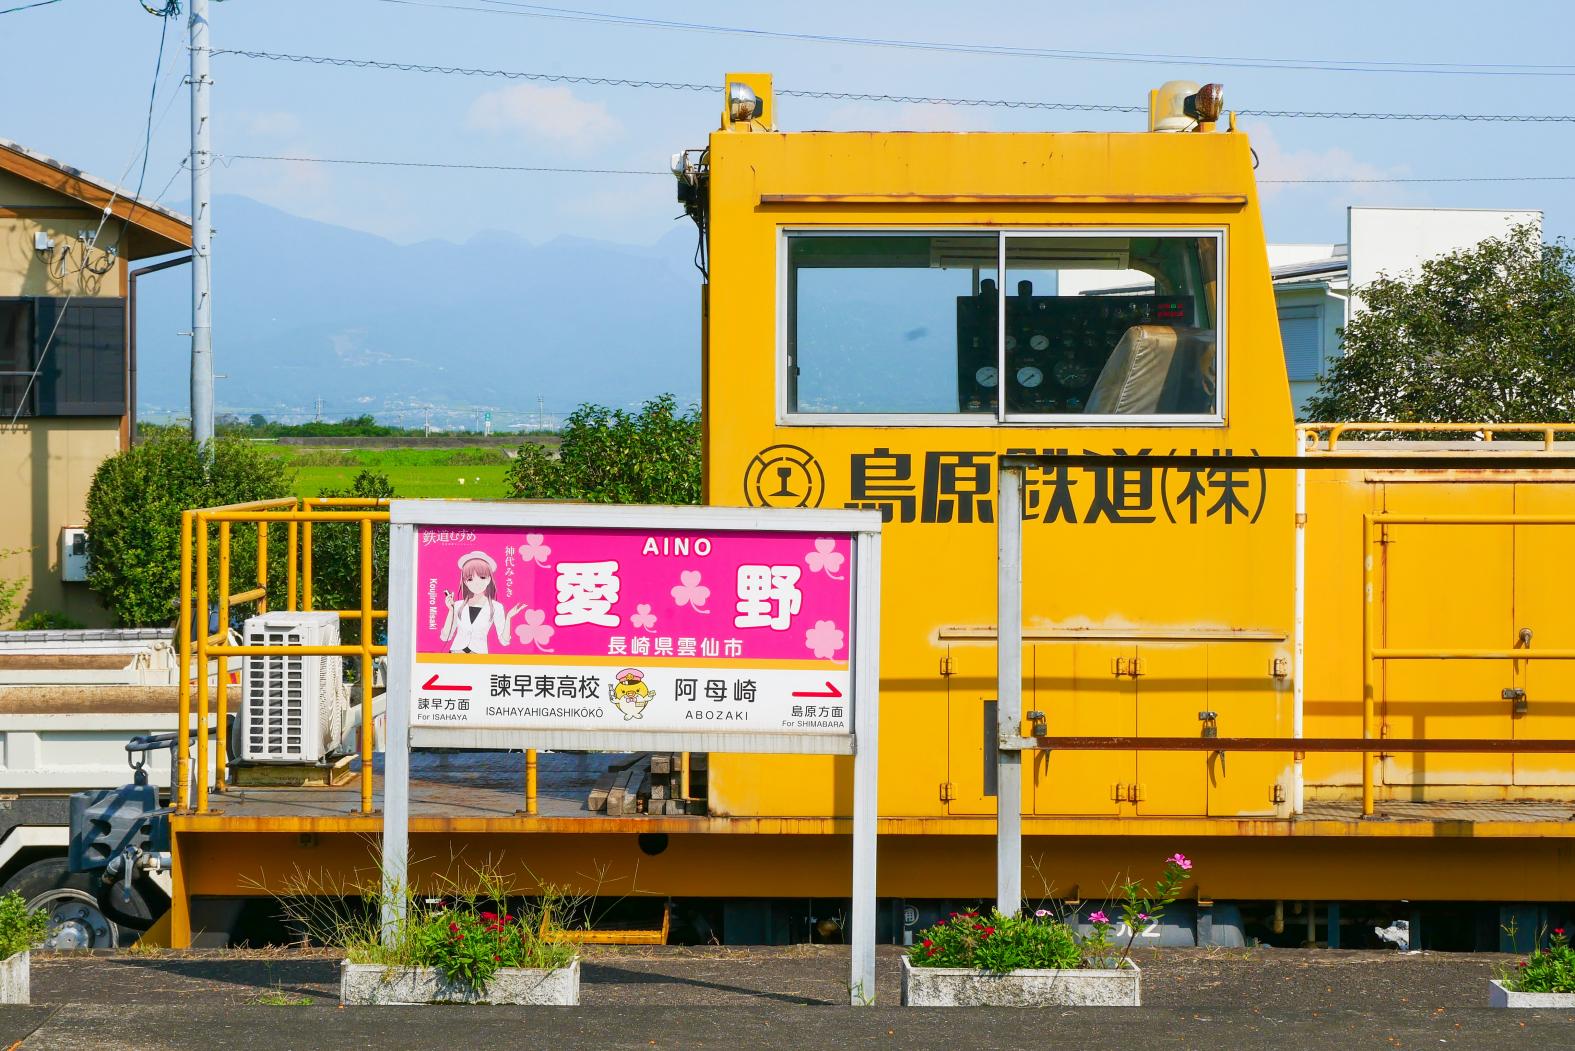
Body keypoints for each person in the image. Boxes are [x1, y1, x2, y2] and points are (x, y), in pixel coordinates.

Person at [439, 551, 525, 654]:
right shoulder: (457, 605)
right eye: (470, 579)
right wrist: (451, 610)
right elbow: (445, 637)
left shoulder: (496, 607)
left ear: (489, 579)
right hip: (455, 654)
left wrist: (509, 618)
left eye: (482, 577)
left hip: (478, 656)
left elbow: (504, 641)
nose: (476, 583)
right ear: (465, 582)